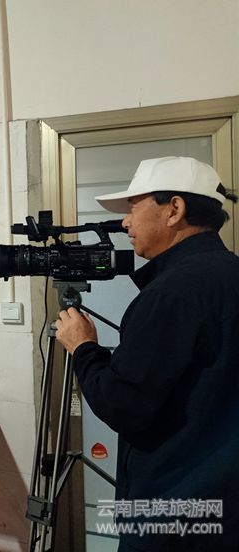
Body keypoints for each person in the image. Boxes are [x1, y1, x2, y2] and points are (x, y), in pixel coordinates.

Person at [55, 156, 239, 551]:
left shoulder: (173, 292)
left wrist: (82, 346)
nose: (125, 222)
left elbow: (124, 405)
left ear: (174, 209)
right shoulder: (229, 272)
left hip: (172, 509)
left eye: (133, 207)